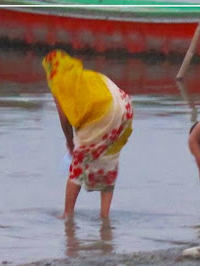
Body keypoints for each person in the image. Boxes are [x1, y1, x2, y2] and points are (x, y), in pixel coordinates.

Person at [42, 50, 133, 219]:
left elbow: (64, 118)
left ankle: (67, 215)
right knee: (109, 159)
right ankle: (104, 216)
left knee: (78, 162)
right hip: (125, 107)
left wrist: (69, 141)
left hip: (103, 111)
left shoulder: (59, 84)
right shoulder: (88, 76)